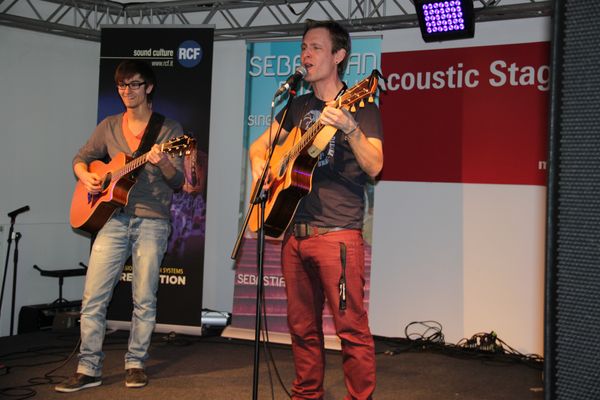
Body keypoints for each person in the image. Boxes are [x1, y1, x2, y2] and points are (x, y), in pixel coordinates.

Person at [249, 20, 384, 400]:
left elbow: (375, 166)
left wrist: (351, 129)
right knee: (301, 328)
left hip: (336, 234)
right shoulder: (298, 105)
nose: (305, 55)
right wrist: (262, 166)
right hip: (294, 233)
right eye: (304, 47)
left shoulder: (361, 104)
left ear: (338, 56)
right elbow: (258, 148)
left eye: (315, 48)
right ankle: (306, 395)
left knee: (351, 329)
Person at [55, 60, 184, 392]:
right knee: (93, 296)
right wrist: (87, 176)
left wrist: (164, 161)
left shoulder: (169, 130)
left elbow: (178, 182)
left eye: (134, 84)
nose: (127, 91)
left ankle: (135, 363)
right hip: (112, 218)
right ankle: (88, 367)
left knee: (144, 297)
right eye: (122, 85)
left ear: (149, 87)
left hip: (152, 219)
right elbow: (81, 159)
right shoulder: (109, 126)